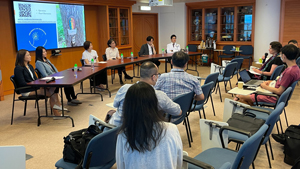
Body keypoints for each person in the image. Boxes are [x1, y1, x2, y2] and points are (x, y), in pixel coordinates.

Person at [116, 82, 183, 169]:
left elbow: (121, 166)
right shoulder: (171, 129)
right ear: (154, 103)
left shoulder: (123, 135)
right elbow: (178, 162)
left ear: (128, 107)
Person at [109, 61, 182, 126]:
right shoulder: (159, 95)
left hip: (115, 130)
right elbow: (178, 112)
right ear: (154, 77)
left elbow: (115, 105)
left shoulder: (124, 88)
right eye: (157, 75)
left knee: (111, 112)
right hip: (140, 133)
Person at [235, 44, 300, 105]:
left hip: (273, 97)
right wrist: (269, 82)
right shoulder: (295, 68)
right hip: (273, 94)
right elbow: (281, 82)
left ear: (284, 56)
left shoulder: (289, 72)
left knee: (239, 96)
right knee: (245, 96)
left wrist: (264, 86)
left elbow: (279, 91)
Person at [14, 49, 66, 117]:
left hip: (34, 87)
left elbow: (35, 79)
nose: (30, 56)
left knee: (53, 87)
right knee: (50, 93)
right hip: (26, 90)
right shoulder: (18, 68)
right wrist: (37, 85)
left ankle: (57, 106)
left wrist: (41, 83)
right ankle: (56, 112)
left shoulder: (30, 66)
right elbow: (22, 83)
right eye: (28, 55)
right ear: (22, 57)